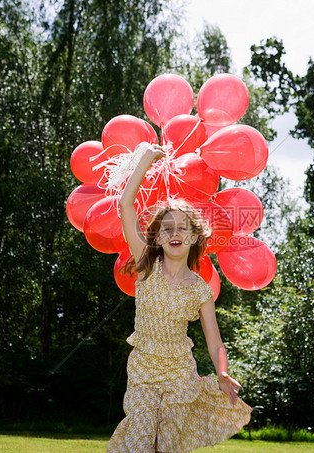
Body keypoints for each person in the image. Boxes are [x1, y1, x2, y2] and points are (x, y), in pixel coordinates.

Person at [106, 144, 252, 452]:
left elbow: (214, 341)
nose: (175, 233)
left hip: (179, 375)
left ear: (195, 236)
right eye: (167, 228)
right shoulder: (146, 265)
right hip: (144, 369)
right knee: (140, 439)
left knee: (169, 444)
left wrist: (222, 372)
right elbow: (125, 205)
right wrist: (144, 161)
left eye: (183, 228)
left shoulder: (200, 288)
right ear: (158, 237)